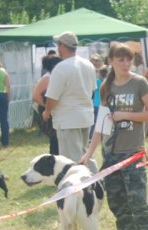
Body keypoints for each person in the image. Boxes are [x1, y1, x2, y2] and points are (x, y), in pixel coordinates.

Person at [80, 42, 148, 230]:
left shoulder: (139, 83)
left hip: (133, 154)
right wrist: (88, 153)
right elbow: (101, 125)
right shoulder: (106, 87)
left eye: (128, 59)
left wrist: (127, 116)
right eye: (120, 60)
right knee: (118, 204)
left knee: (139, 205)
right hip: (111, 155)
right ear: (111, 62)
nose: (125, 64)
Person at [43, 31, 97, 173]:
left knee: (71, 158)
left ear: (62, 46)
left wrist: (47, 112)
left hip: (67, 118)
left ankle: (80, 186)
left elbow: (52, 97)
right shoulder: (88, 65)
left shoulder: (61, 68)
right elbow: (92, 90)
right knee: (85, 153)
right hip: (86, 116)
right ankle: (95, 180)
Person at [33, 55, 63, 154]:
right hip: (48, 112)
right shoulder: (47, 78)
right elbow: (36, 96)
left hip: (56, 112)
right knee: (55, 138)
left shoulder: (56, 77)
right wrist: (48, 108)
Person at [89, 54, 105, 139]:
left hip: (96, 103)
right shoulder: (106, 82)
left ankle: (91, 137)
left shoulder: (97, 81)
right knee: (102, 121)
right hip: (102, 103)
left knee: (94, 122)